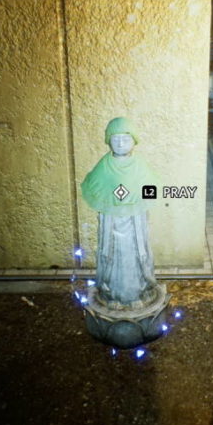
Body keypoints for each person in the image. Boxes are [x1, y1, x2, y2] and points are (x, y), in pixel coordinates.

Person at [80, 117, 162, 308]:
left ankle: (140, 291)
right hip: (112, 224)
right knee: (112, 254)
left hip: (135, 224)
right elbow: (94, 187)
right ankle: (111, 293)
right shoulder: (104, 165)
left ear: (134, 140)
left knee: (136, 253)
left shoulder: (140, 165)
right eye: (115, 139)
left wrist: (138, 199)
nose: (120, 143)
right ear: (108, 140)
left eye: (125, 139)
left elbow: (152, 188)